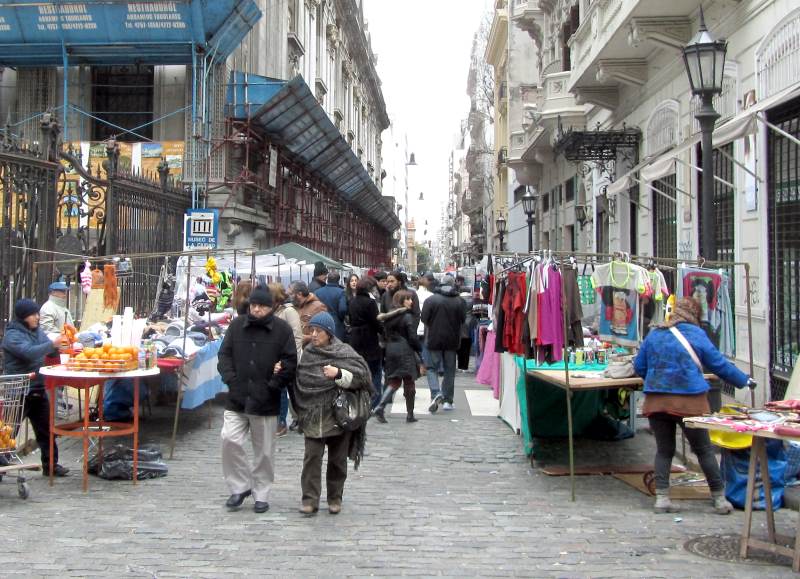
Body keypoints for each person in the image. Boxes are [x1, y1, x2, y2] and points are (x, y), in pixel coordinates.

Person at [633, 297, 753, 515]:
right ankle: (719, 499)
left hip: (657, 402)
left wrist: (657, 378)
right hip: (691, 402)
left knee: (664, 450)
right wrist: (743, 380)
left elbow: (639, 366)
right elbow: (719, 365)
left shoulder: (655, 334)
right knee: (703, 450)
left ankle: (662, 498)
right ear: (694, 315)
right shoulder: (697, 335)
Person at [217, 286, 297, 513]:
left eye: (261, 306)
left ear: (270, 307)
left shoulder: (282, 330)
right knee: (229, 439)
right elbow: (224, 355)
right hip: (238, 396)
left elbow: (290, 361)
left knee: (264, 451)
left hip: (265, 399)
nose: (256, 309)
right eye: (253, 305)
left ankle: (261, 493)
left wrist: (274, 384)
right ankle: (240, 486)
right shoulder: (236, 326)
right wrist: (231, 379)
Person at [291, 312, 373, 515]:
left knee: (337, 459)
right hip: (313, 415)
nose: (314, 334)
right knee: (312, 458)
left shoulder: (344, 352)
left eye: (319, 331)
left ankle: (335, 498)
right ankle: (309, 499)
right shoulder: (308, 353)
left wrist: (338, 374)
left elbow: (363, 377)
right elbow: (300, 382)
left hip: (339, 415)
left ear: (329, 333)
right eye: (312, 330)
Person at [1, 299, 70, 476]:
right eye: (34, 315)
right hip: (18, 391)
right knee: (8, 431)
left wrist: (58, 348)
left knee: (46, 429)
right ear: (24, 317)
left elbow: (46, 348)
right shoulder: (12, 336)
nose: (38, 317)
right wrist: (51, 345)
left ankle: (51, 465)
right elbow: (29, 353)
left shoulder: (37, 331)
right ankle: (1, 464)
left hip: (37, 387)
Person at [372, 290, 423, 423]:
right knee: (409, 381)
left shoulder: (389, 317)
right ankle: (409, 414)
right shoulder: (407, 317)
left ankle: (381, 407)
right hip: (404, 350)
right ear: (401, 301)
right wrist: (419, 349)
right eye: (408, 299)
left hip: (391, 349)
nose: (411, 301)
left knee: (394, 380)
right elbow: (412, 337)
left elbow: (383, 333)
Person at [422, 278, 466, 413]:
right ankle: (447, 400)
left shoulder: (431, 300)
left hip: (434, 338)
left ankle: (436, 393)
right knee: (449, 371)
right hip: (452, 340)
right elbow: (463, 320)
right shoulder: (460, 301)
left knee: (431, 368)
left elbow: (424, 318)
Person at [268, 283, 304, 437]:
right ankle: (287, 420)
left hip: (288, 358)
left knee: (293, 392)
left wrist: (292, 359)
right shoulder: (272, 311)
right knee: (282, 390)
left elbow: (297, 336)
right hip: (275, 358)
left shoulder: (289, 311)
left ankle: (286, 421)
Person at [38, 281, 75, 416]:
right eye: (61, 291)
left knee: (60, 381)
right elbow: (47, 329)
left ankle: (58, 406)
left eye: (65, 291)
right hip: (53, 351)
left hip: (63, 348)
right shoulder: (48, 307)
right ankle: (52, 409)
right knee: (53, 381)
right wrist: (63, 337)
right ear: (53, 292)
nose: (64, 294)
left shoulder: (62, 308)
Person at [348, 277, 384, 409]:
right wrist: (383, 332)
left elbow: (351, 319)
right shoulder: (370, 303)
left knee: (359, 369)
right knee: (375, 371)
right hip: (369, 338)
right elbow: (376, 322)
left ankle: (359, 399)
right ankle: (374, 400)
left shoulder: (352, 301)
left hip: (355, 338)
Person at [416, 272, 442, 401]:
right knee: (430, 364)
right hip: (427, 332)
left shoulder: (412, 296)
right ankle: (435, 392)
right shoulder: (432, 297)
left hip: (413, 330)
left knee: (410, 360)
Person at [288, 281, 328, 347]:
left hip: (313, 350)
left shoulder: (318, 306)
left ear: (299, 294)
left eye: (291, 294)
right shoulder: (293, 307)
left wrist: (308, 338)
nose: (289, 297)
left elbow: (325, 332)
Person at [314, 272, 348, 341]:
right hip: (336, 325)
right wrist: (341, 319)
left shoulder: (317, 292)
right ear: (338, 280)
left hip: (320, 323)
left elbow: (314, 308)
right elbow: (343, 309)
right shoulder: (341, 292)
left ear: (327, 279)